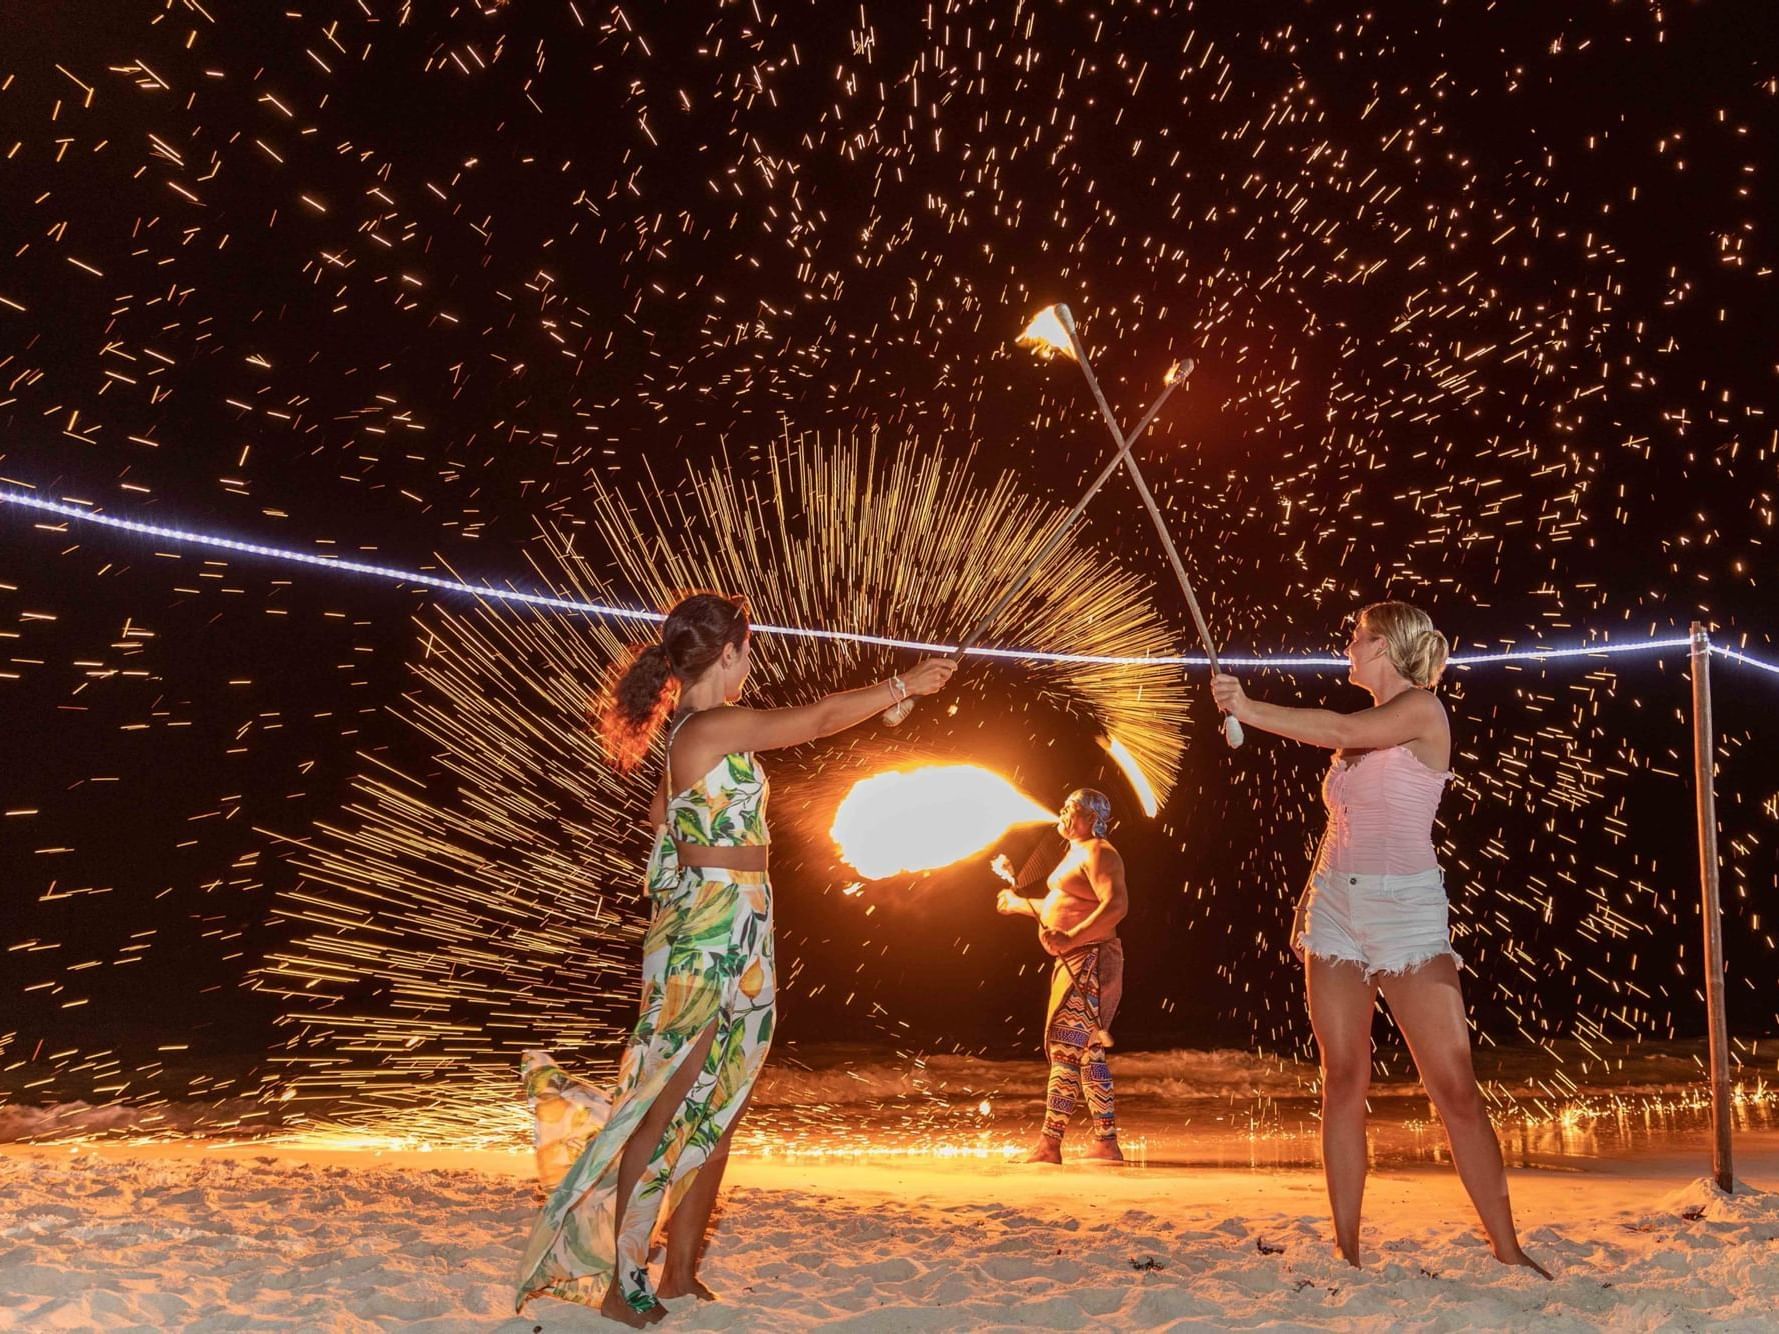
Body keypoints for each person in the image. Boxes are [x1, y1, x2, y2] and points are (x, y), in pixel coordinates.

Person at [515, 592, 957, 1325]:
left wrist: (702, 833)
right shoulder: (711, 726)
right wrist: (903, 685)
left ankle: (680, 1276)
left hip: (740, 922)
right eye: (748, 649)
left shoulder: (704, 735)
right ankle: (620, 1285)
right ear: (729, 653)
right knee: (667, 1103)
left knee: (720, 1101)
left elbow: (663, 817)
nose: (752, 661)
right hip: (707, 934)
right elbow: (812, 721)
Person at [1209, 601, 1548, 1277]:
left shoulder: (1421, 711)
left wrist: (1247, 707)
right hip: (1336, 909)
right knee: (1341, 1079)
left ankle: (1507, 1249)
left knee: (1453, 1088)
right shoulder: (1356, 736)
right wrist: (1309, 895)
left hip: (1406, 916)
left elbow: (1337, 724)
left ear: (1385, 646)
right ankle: (1347, 1250)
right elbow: (1343, 822)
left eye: (1353, 639)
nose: (1344, 649)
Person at [992, 787, 1129, 1164]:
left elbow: (1116, 905)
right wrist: (1022, 905)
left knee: (1066, 1048)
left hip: (1090, 960)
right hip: (1076, 959)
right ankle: (1107, 1142)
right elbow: (1061, 905)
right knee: (1087, 1052)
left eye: (1072, 809)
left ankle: (1049, 1145)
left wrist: (1071, 936)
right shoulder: (1077, 853)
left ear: (1092, 819)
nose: (1063, 814)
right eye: (1064, 807)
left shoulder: (1102, 852)